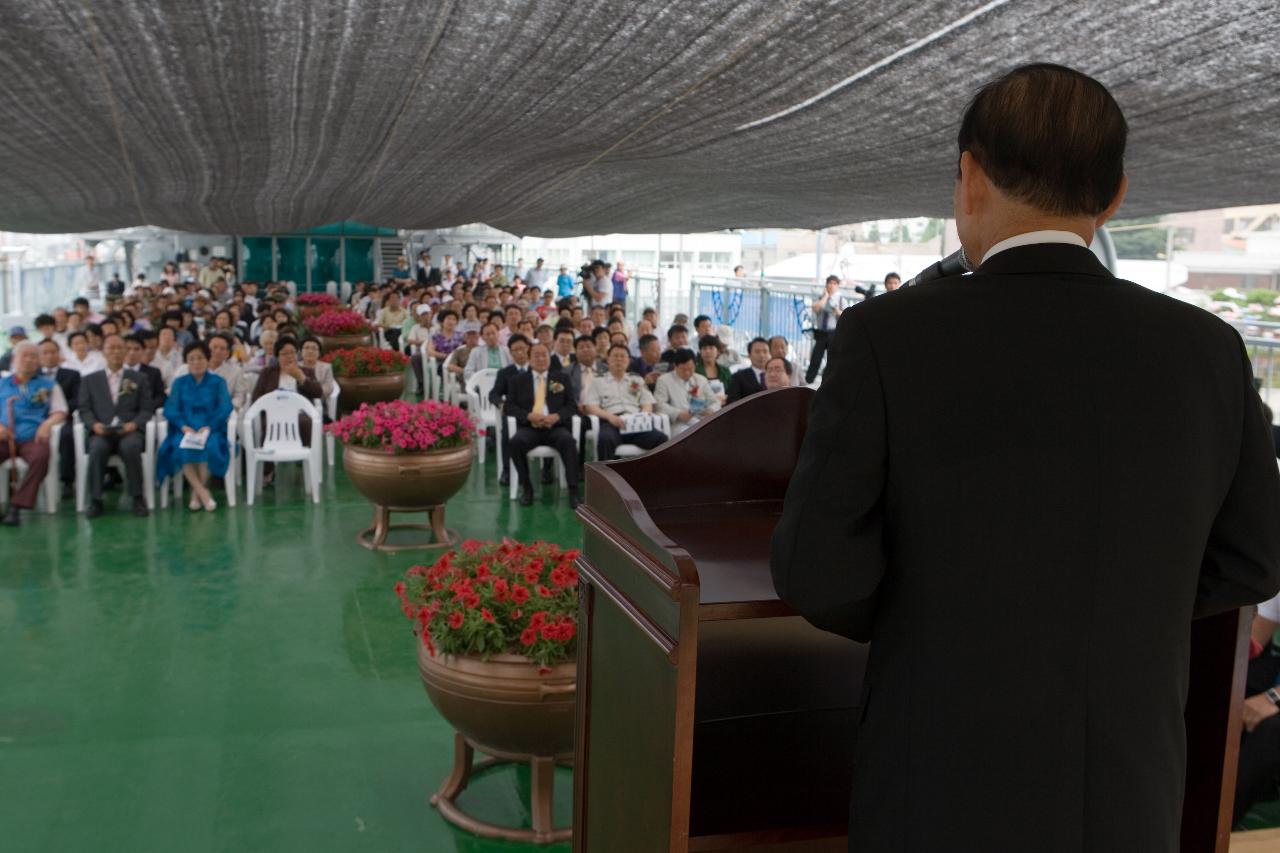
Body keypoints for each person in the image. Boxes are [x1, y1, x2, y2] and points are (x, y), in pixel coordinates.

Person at [769, 63, 1280, 853]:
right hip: (1128, 781)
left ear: (970, 177)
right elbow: (1254, 557)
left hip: (936, 774)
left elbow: (817, 572)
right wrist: (1122, 607)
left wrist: (932, 617)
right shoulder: (1206, 349)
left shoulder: (887, 338)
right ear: (1114, 194)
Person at [77, 334, 154, 518]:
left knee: (131, 447)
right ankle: (96, 500)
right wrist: (93, 425)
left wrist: (134, 424)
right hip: (101, 431)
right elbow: (84, 409)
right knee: (96, 449)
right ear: (103, 352)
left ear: (125, 351)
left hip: (129, 430)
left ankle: (137, 497)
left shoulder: (138, 378)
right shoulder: (90, 379)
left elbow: (146, 409)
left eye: (120, 347)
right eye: (111, 348)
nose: (116, 352)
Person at [157, 341, 233, 512]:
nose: (196, 363)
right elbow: (171, 408)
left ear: (207, 359)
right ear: (186, 362)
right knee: (180, 446)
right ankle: (202, 492)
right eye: (191, 359)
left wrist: (209, 426)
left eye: (200, 358)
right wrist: (183, 426)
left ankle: (196, 494)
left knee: (210, 445)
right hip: (185, 429)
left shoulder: (218, 382)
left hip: (211, 428)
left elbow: (224, 407)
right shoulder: (180, 382)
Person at [505, 342, 581, 508]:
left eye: (544, 355)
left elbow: (572, 406)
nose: (540, 359)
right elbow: (509, 407)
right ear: (529, 358)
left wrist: (557, 416)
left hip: (555, 427)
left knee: (568, 442)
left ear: (549, 357)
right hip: (529, 427)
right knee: (515, 443)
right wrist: (528, 416)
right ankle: (527, 487)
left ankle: (573, 491)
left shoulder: (561, 378)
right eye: (536, 355)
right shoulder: (517, 380)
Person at [0, 342, 68, 525]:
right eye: (25, 356)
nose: (29, 360)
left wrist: (47, 424)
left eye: (33, 356)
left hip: (33, 437)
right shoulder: (2, 383)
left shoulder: (49, 385)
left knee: (41, 457)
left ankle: (16, 505)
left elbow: (60, 411)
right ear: (15, 359)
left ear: (39, 361)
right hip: (5, 437)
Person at [580, 343, 666, 461]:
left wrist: (641, 416)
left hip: (636, 423)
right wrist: (610, 417)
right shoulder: (598, 381)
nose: (619, 359)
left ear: (628, 360)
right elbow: (590, 407)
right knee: (605, 439)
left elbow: (647, 403)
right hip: (611, 422)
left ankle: (653, 477)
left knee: (661, 439)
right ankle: (606, 478)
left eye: (623, 356)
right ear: (608, 359)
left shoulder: (637, 379)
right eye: (615, 356)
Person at [36, 337, 80, 499]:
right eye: (44, 353)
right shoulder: (32, 376)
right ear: (38, 356)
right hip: (36, 419)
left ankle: (67, 481)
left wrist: (58, 410)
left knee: (68, 435)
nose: (49, 356)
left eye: (52, 352)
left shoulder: (72, 375)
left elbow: (77, 400)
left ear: (59, 354)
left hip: (63, 418)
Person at [490, 334, 531, 486]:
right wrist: (501, 404)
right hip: (514, 414)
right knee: (506, 429)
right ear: (511, 353)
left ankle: (546, 469)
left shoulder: (537, 369)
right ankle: (506, 470)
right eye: (515, 350)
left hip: (536, 413)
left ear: (528, 348)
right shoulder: (505, 373)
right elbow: (494, 394)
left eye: (522, 349)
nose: (519, 353)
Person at [654, 348, 720, 430]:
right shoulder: (664, 380)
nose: (687, 373)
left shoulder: (701, 379)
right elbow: (659, 405)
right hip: (678, 423)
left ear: (695, 365)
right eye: (683, 369)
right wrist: (678, 413)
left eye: (690, 369)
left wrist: (711, 410)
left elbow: (715, 401)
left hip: (701, 420)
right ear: (675, 366)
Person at [806, 275, 846, 383]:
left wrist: (837, 311)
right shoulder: (820, 297)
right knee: (816, 357)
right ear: (826, 284)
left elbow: (846, 315)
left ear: (837, 286)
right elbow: (815, 308)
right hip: (821, 333)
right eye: (830, 283)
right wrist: (826, 296)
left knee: (832, 358)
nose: (831, 286)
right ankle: (809, 380)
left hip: (834, 333)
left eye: (834, 283)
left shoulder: (841, 299)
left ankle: (827, 381)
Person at [124, 334, 165, 405]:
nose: (132, 353)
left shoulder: (154, 373)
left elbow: (161, 396)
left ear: (143, 351)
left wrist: (147, 407)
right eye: (128, 349)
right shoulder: (114, 372)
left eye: (136, 349)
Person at [726, 337, 770, 403]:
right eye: (757, 352)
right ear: (749, 355)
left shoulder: (776, 375)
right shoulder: (738, 377)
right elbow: (732, 402)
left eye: (765, 351)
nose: (762, 355)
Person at [693, 335, 731, 403]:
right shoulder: (694, 371)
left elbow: (732, 392)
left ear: (718, 351)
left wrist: (727, 397)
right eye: (704, 348)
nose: (707, 351)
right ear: (700, 352)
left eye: (711, 348)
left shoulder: (725, 371)